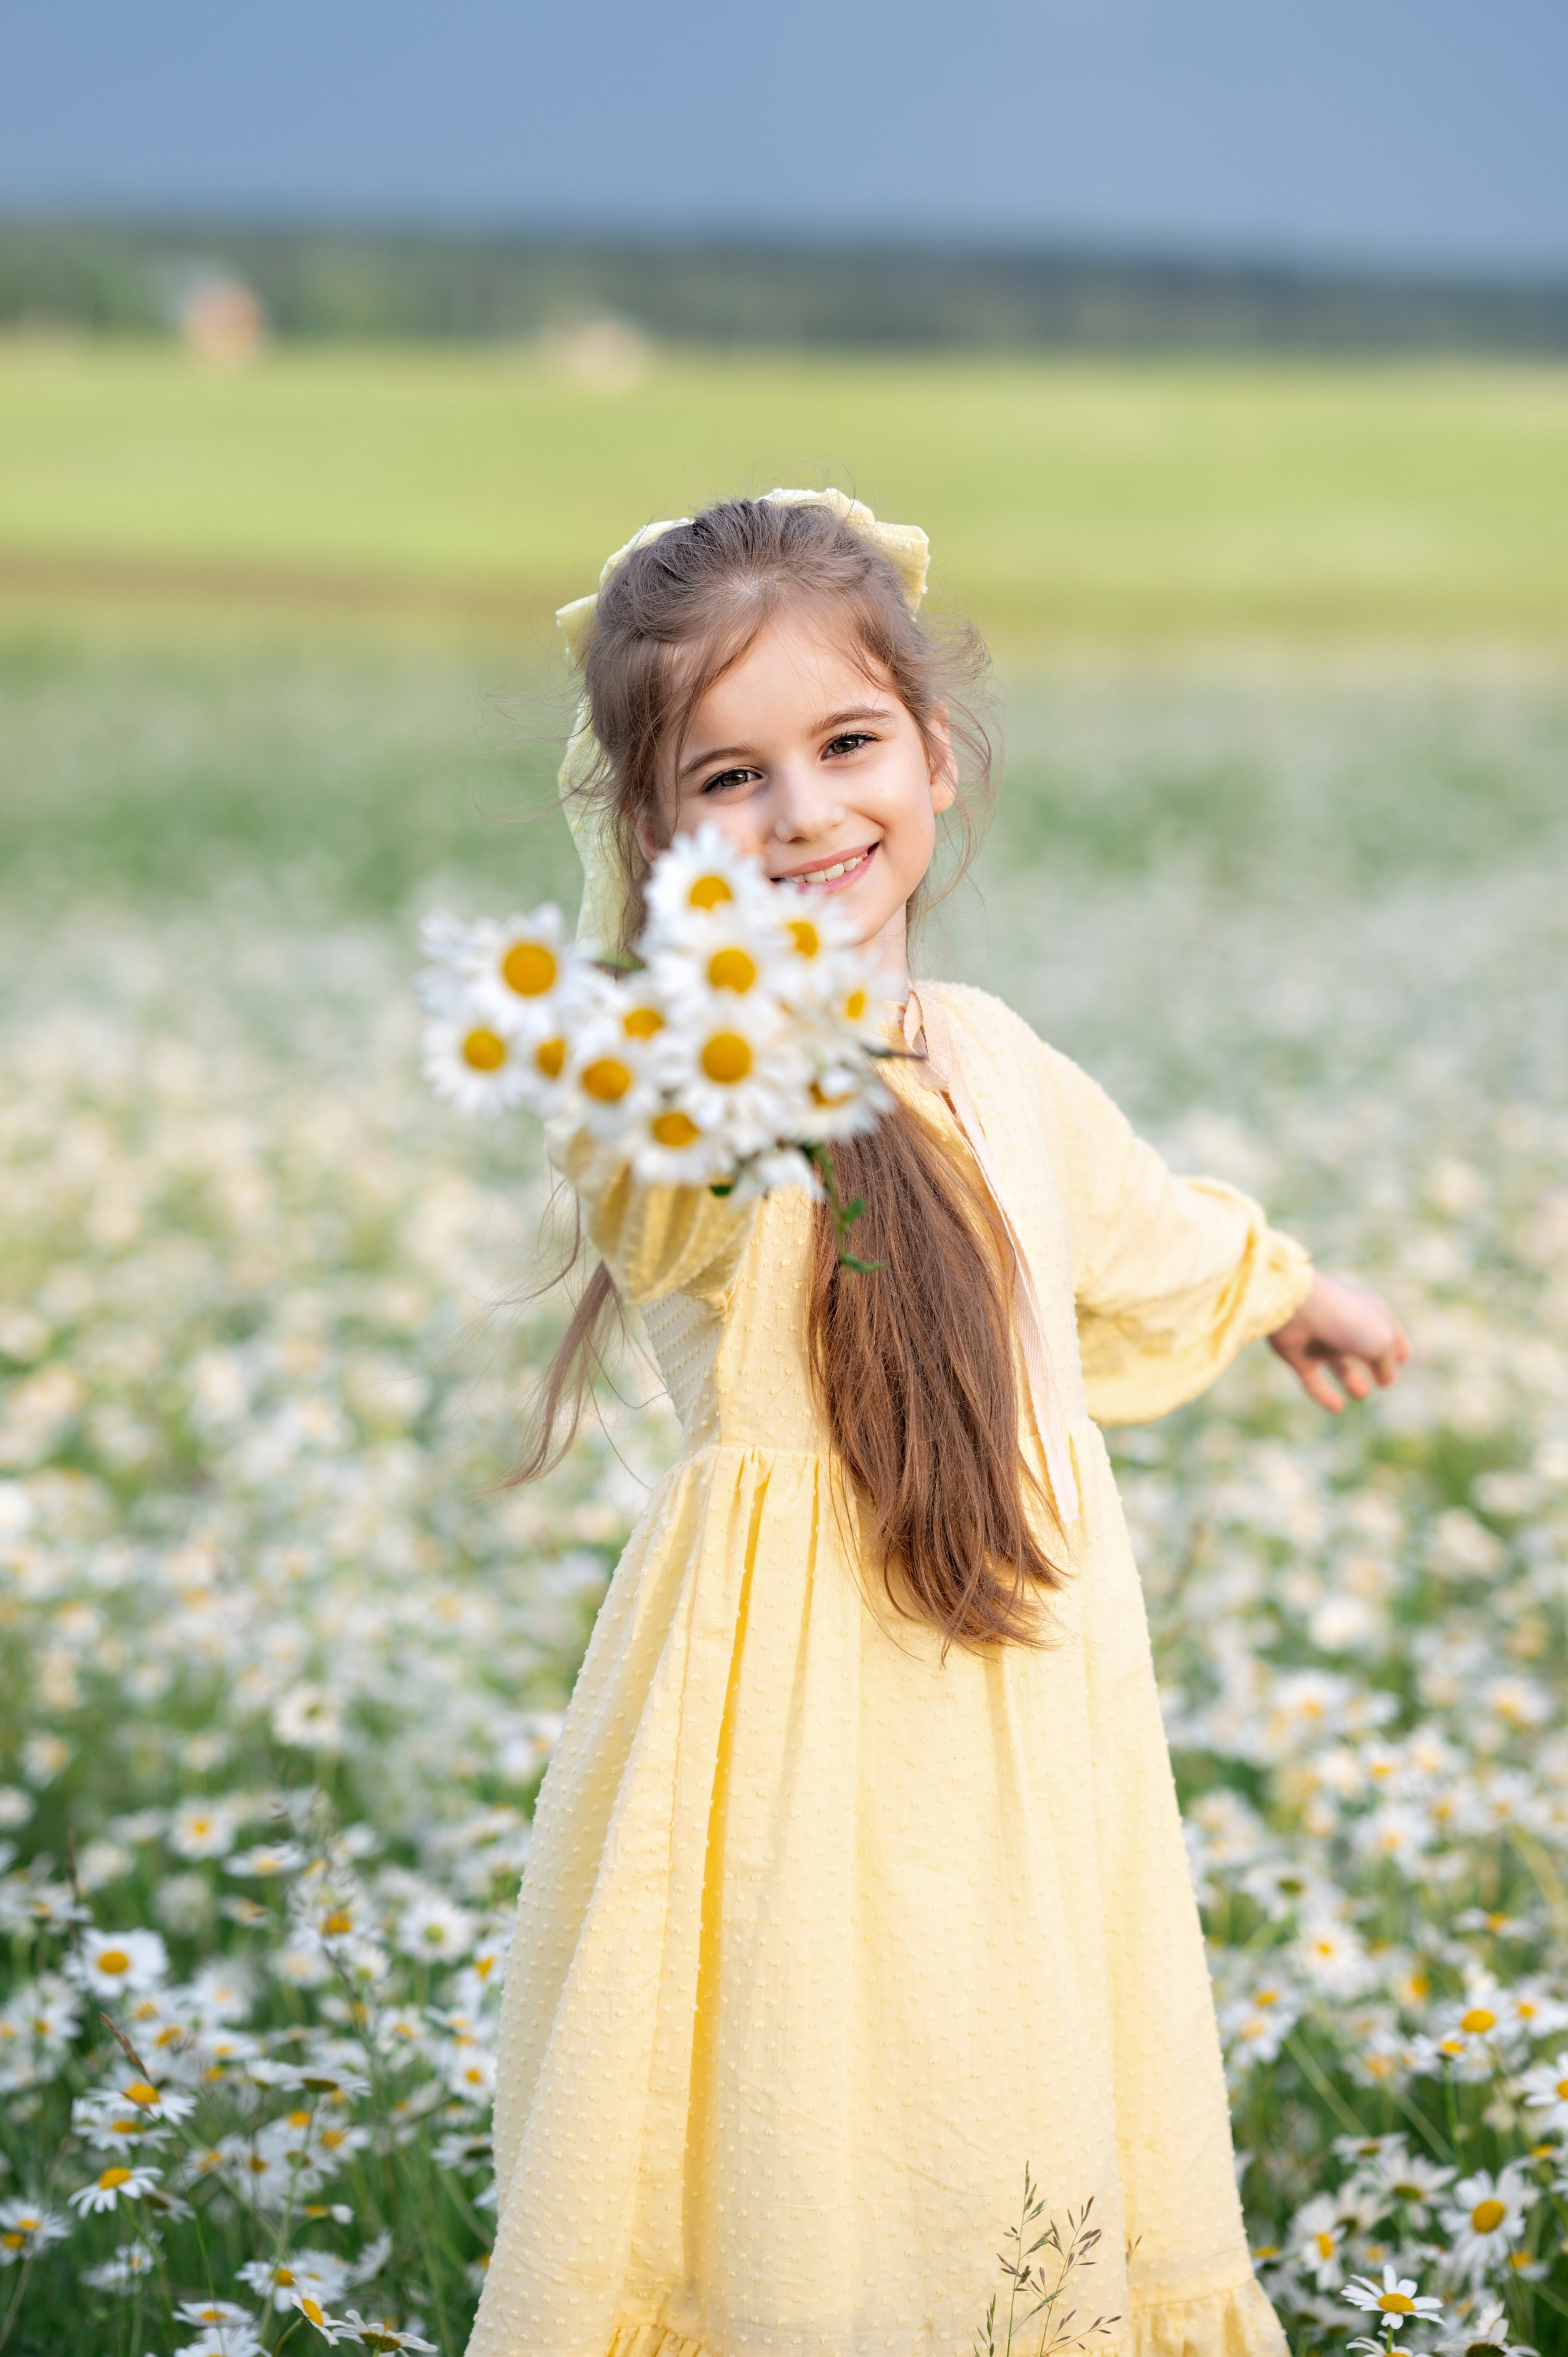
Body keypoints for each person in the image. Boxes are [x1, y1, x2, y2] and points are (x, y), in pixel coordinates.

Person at [466, 491, 1408, 2357]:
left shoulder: (997, 1054)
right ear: (652, 837)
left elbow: (1140, 1222)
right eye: (727, 779)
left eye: (846, 745)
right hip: (797, 1744)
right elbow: (668, 1162)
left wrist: (1295, 1291)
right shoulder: (690, 1082)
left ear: (938, 754)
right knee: (810, 2109)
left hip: (1024, 1705)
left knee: (1015, 2080)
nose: (807, 815)